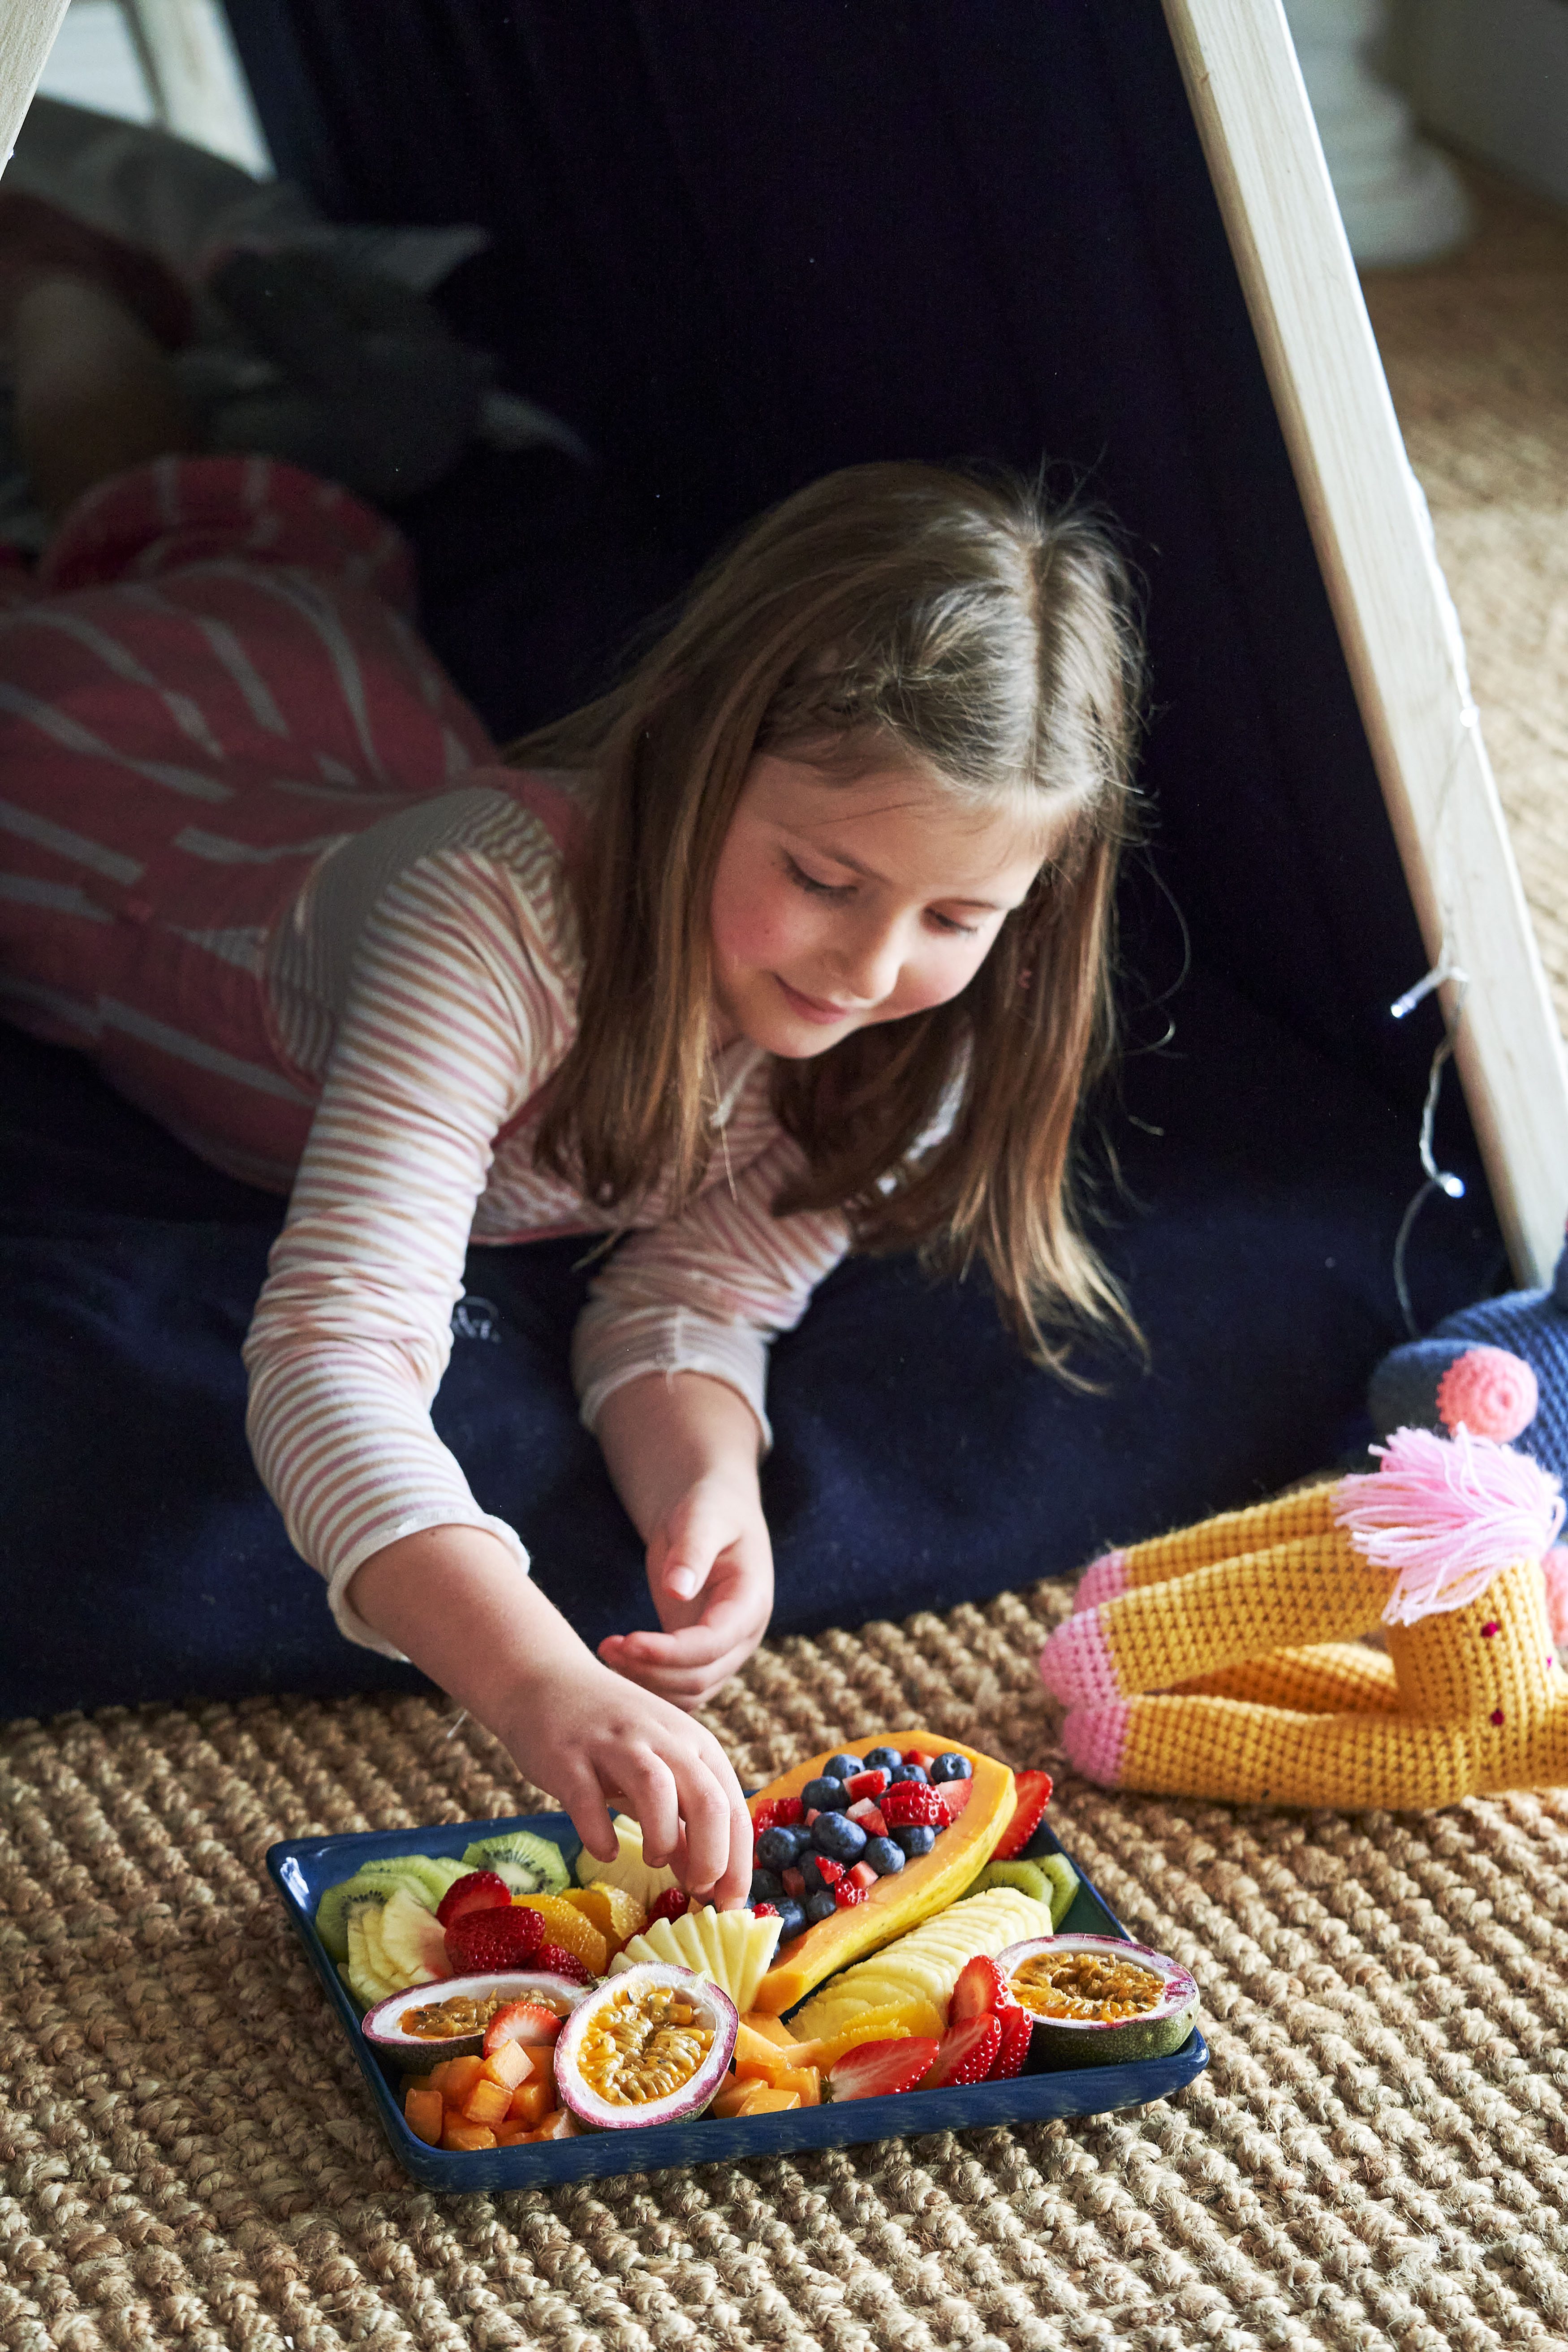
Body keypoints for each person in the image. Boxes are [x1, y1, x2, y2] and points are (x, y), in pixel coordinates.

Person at [0, 203, 1145, 1907]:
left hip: (347, 714)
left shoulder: (923, 1023)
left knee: (213, 534)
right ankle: (53, 272)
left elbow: (697, 1295)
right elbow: (330, 1348)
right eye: (823, 879)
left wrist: (707, 1482)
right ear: (692, 759)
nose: (872, 961)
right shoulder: (494, 917)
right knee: (145, 537)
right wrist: (535, 1677)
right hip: (119, 798)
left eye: (957, 914)